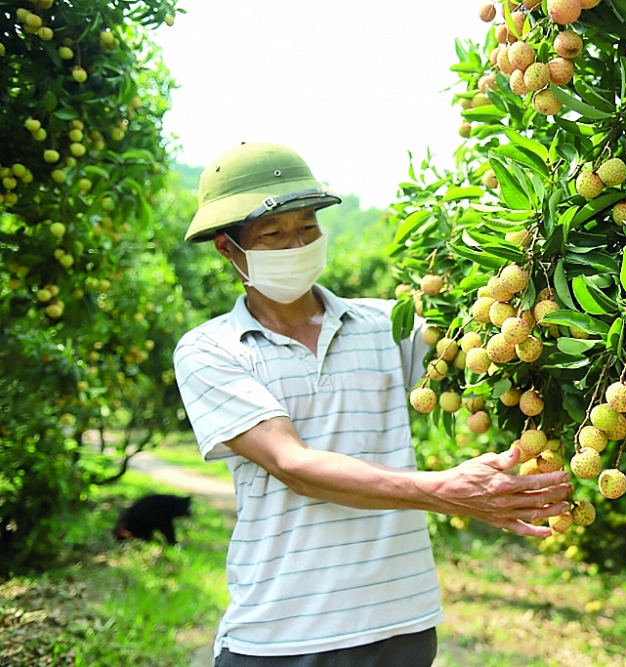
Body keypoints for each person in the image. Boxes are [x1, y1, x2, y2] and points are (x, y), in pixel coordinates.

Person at [172, 142, 572, 667]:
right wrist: (445, 491)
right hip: (282, 635)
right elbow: (292, 464)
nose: (296, 243)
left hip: (401, 627)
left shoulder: (391, 324)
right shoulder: (210, 350)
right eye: (273, 234)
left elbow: (489, 337)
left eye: (308, 228)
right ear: (229, 249)